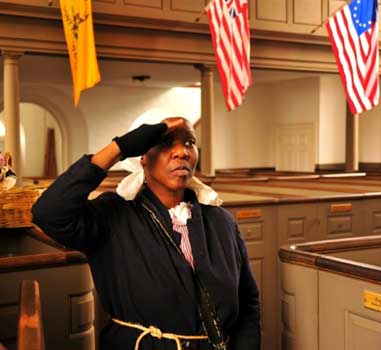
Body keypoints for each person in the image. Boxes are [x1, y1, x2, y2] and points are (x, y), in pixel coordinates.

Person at [32, 117, 261, 350]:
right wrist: (120, 147)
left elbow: (248, 304)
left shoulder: (222, 222)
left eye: (189, 143)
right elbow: (48, 213)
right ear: (142, 156)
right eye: (165, 144)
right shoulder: (113, 215)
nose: (181, 152)